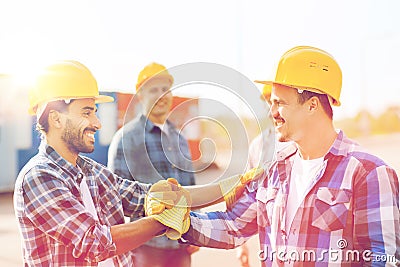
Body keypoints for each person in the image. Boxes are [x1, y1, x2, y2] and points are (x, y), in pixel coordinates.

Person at [13, 60, 262, 266]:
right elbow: (94, 242)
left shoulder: (91, 173)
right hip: (149, 252)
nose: (97, 123)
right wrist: (164, 221)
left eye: (94, 113)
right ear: (56, 118)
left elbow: (147, 196)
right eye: (87, 112)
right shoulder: (39, 177)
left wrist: (229, 187)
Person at [172, 46, 399, 266]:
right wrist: (181, 221)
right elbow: (234, 226)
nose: (271, 113)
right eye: (271, 103)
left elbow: (383, 258)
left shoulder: (369, 173)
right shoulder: (273, 168)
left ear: (312, 105)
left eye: (279, 103)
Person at [107, 62, 198, 267]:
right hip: (146, 248)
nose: (161, 95)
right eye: (153, 90)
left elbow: (190, 189)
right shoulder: (126, 139)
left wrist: (196, 231)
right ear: (140, 95)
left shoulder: (179, 138)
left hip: (181, 244)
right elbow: (113, 199)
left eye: (165, 89)